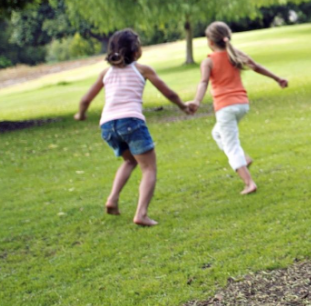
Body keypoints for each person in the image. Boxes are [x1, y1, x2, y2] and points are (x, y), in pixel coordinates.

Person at [75, 29, 190, 227]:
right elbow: (168, 93)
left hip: (108, 125)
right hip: (131, 121)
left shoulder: (106, 73)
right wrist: (183, 106)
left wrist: (81, 114)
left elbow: (86, 99)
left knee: (129, 161)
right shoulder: (142, 69)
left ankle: (112, 198)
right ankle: (141, 214)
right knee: (149, 168)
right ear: (136, 51)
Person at [187, 21, 288, 194]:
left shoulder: (208, 62)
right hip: (241, 104)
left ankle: (249, 183)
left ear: (210, 42)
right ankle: (244, 159)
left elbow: (203, 82)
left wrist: (196, 100)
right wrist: (277, 78)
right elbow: (257, 67)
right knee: (217, 133)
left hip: (225, 108)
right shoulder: (235, 54)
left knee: (231, 145)